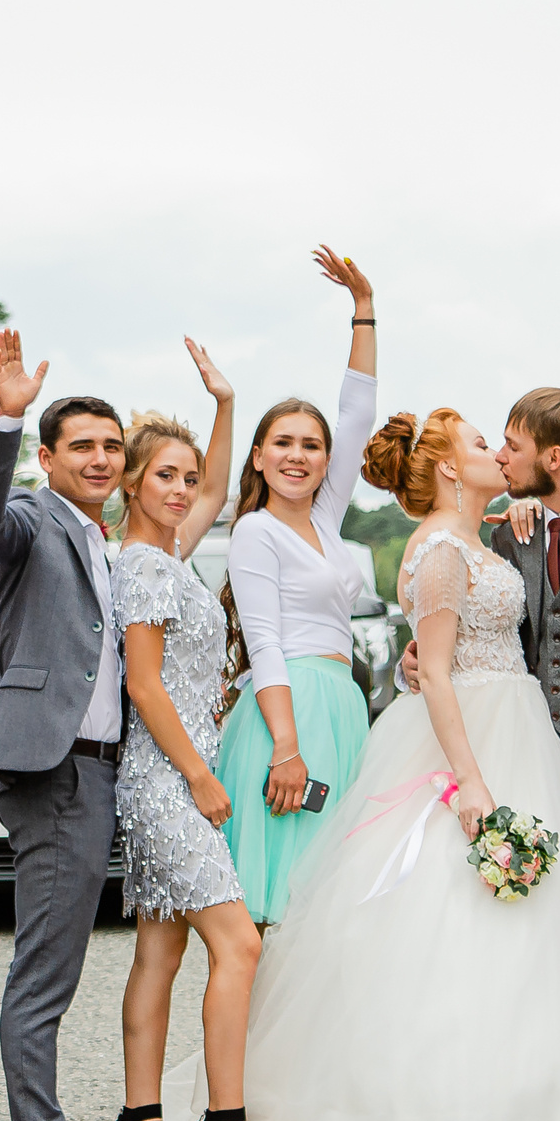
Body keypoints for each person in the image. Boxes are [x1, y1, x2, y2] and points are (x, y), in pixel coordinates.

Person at [237, 408, 560, 1121]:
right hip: (468, 739)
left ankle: (546, 1104)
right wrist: (469, 779)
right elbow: (439, 670)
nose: (496, 452)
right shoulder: (441, 550)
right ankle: (449, 1115)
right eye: (481, 444)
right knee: (452, 919)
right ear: (451, 468)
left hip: (516, 724)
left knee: (533, 926)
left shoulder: (482, 534)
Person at [0, 333, 137, 1121]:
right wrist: (8, 416)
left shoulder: (104, 539)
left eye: (111, 446)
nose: (100, 458)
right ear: (50, 457)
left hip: (98, 768)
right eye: (83, 446)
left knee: (55, 963)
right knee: (45, 969)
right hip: (53, 767)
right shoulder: (31, 517)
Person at [100, 346, 282, 1121]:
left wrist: (224, 404)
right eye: (163, 475)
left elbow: (215, 489)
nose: (181, 488)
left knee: (159, 953)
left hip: (185, 769)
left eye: (185, 476)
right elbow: (143, 685)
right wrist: (201, 779)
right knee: (238, 943)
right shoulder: (139, 565)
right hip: (167, 777)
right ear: (132, 482)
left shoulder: (171, 552)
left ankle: (141, 1120)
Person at [212, 249, 380, 926]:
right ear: (258, 454)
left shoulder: (325, 518)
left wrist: (363, 309)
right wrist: (287, 745)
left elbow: (358, 411)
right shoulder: (255, 531)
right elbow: (267, 641)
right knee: (279, 900)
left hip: (340, 705)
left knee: (327, 908)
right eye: (282, 441)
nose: (298, 454)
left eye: (311, 444)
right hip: (289, 714)